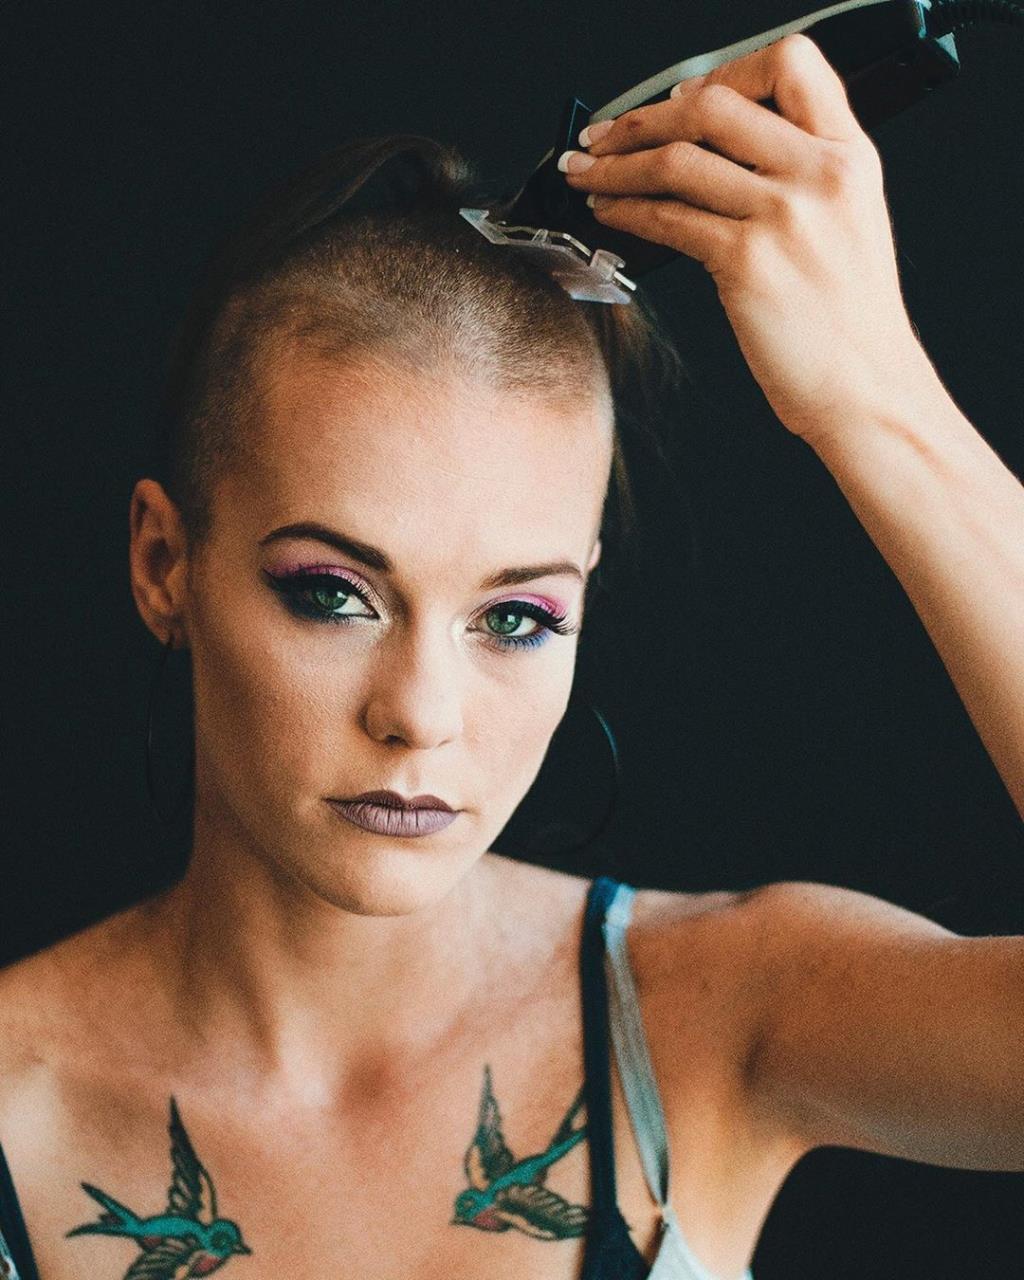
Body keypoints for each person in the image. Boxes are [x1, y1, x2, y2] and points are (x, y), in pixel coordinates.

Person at [0, 32, 1021, 1280]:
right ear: (165, 562)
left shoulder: (719, 1018)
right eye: (333, 594)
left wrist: (880, 403)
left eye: (515, 618)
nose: (420, 712)